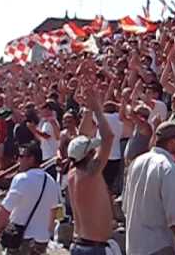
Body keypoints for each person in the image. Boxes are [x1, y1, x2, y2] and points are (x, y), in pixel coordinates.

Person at [65, 83, 122, 255]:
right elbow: (108, 137)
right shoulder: (91, 173)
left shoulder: (72, 173)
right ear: (89, 154)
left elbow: (80, 139)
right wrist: (97, 107)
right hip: (93, 249)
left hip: (79, 244)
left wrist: (88, 109)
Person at [123, 122, 175, 255]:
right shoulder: (168, 167)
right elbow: (173, 215)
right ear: (171, 142)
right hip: (158, 246)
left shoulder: (136, 162)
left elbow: (125, 206)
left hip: (134, 246)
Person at [0, 141, 61, 255]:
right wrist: (47, 233)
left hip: (20, 238)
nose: (18, 160)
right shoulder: (50, 181)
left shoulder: (21, 179)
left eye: (21, 157)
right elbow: (53, 210)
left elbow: (6, 209)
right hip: (41, 240)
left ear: (31, 159)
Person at [27, 101, 60, 179]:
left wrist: (34, 129)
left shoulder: (51, 121)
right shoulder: (45, 122)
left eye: (42, 109)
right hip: (46, 154)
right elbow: (42, 139)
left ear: (48, 109)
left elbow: (46, 136)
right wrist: (34, 131)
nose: (40, 112)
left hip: (51, 155)